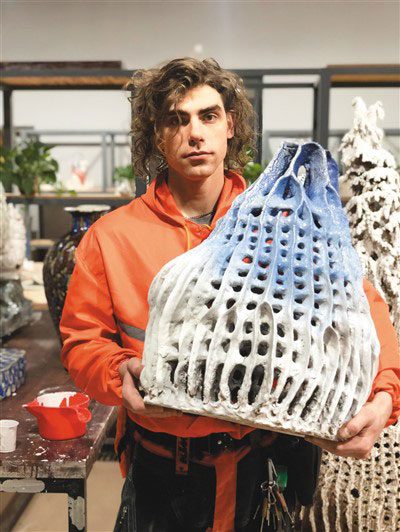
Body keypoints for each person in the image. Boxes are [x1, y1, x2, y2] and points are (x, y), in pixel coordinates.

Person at [60, 57, 400, 532]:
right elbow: (83, 342)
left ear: (230, 126)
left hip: (260, 468)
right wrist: (119, 372)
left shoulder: (283, 227)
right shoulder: (112, 238)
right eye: (176, 120)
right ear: (156, 135)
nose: (195, 134)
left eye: (208, 116)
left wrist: (384, 397)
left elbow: (362, 312)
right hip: (163, 471)